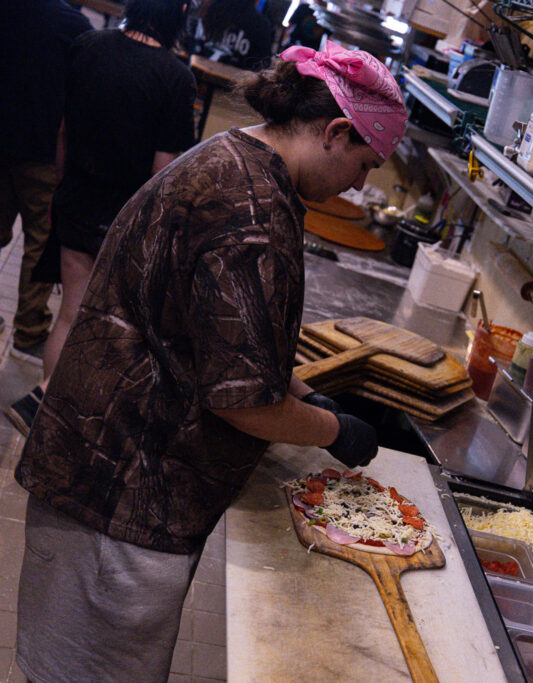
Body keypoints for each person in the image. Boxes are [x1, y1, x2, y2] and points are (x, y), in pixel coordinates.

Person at [14, 40, 406, 681]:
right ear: (336, 132)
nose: (360, 184)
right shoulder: (248, 215)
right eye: (366, 164)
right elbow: (243, 401)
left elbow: (205, 336)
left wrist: (306, 394)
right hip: (121, 492)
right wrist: (338, 431)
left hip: (104, 464)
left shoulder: (235, 155)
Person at [5, 0, 197, 437]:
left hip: (76, 197)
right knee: (109, 325)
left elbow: (63, 131)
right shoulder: (175, 78)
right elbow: (162, 170)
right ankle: (50, 408)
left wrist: (62, 186)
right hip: (126, 217)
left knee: (70, 314)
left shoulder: (87, 46)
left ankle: (48, 402)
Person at [0, 1, 90, 354]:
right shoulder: (76, 27)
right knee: (39, 241)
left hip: (1, 141)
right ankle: (29, 327)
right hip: (43, 149)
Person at [188, 0, 275, 70]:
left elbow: (186, 42)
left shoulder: (206, 8)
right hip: (231, 88)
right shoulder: (260, 25)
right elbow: (262, 67)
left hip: (193, 78)